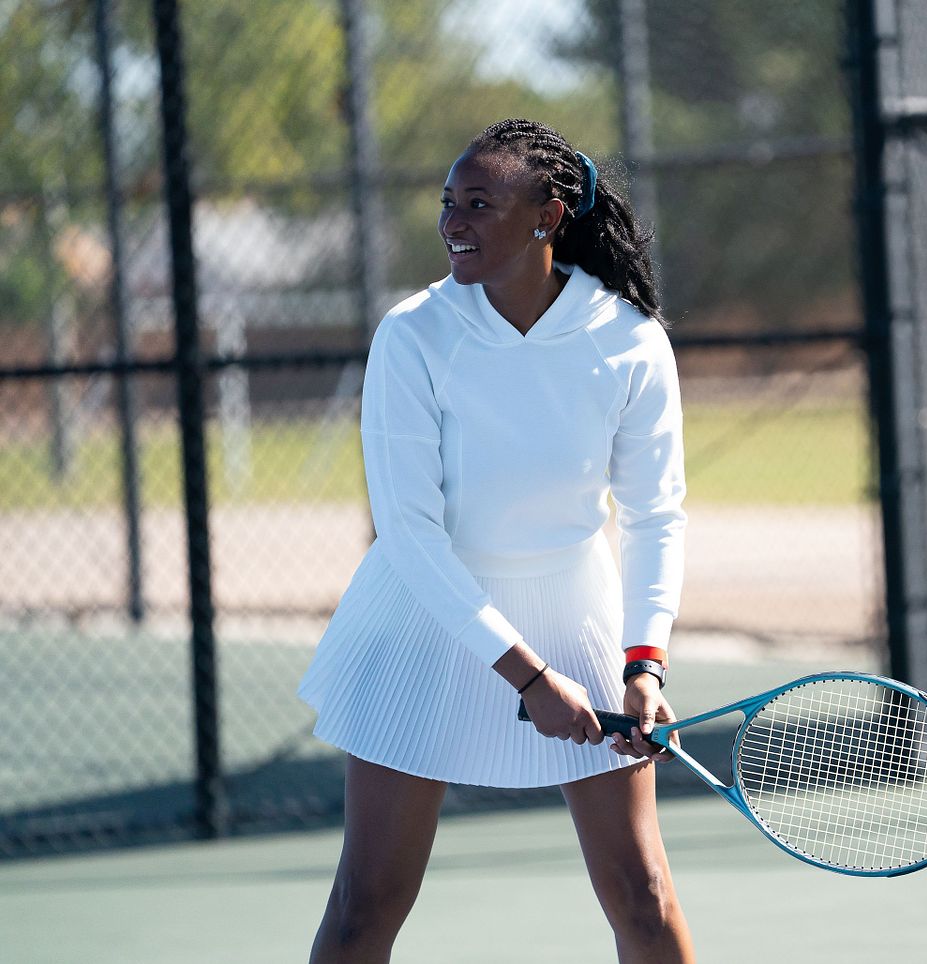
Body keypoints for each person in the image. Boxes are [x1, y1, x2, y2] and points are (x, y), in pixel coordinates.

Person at [298, 117, 694, 963]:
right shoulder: (413, 334)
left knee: (645, 897)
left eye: (479, 204)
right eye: (449, 203)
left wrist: (644, 665)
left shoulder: (630, 340)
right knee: (366, 904)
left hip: (578, 618)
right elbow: (410, 533)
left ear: (548, 216)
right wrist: (530, 677)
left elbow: (656, 513)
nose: (454, 222)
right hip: (423, 624)